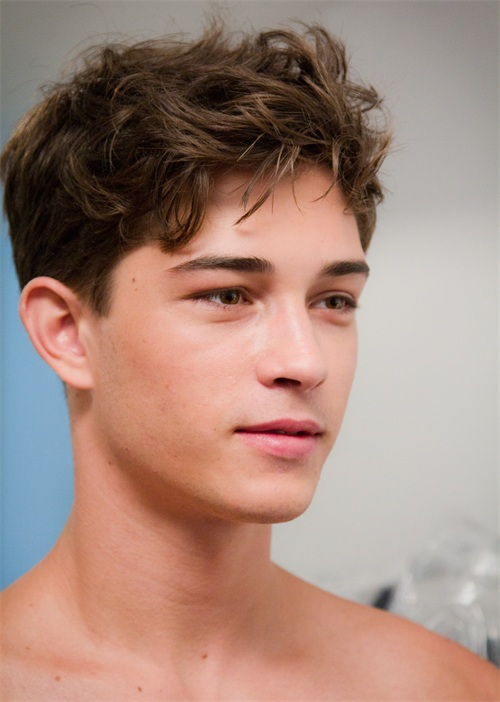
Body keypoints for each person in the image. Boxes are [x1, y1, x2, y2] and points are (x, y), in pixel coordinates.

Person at [1, 21, 497, 700]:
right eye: (227, 294)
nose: (306, 362)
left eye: (334, 301)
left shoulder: (450, 691)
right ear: (66, 332)